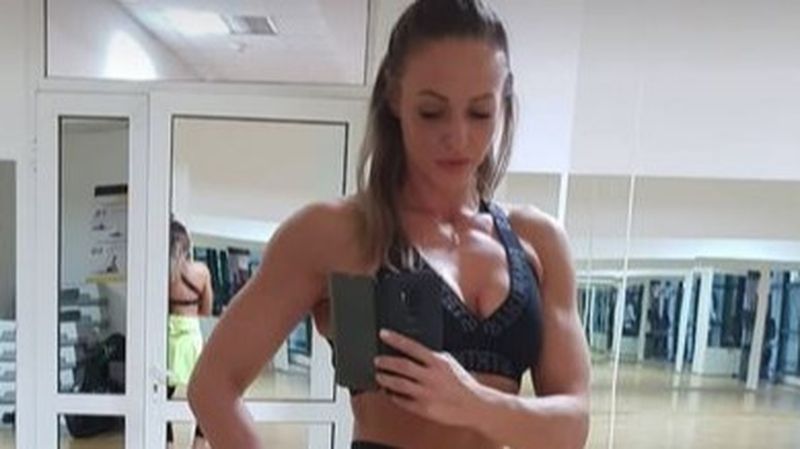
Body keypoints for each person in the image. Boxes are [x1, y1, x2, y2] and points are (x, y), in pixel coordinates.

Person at [187, 1, 590, 448]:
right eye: (432, 111)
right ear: (395, 98)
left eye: (480, 112)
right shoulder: (335, 234)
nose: (457, 136)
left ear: (504, 104)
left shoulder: (538, 242)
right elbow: (212, 386)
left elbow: (572, 426)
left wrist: (474, 404)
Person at [168, 219, 213, 449]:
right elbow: (207, 310)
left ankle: (168, 444)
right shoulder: (201, 271)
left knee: (161, 395)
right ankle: (198, 444)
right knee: (206, 395)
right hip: (191, 337)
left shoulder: (163, 274)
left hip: (167, 336)